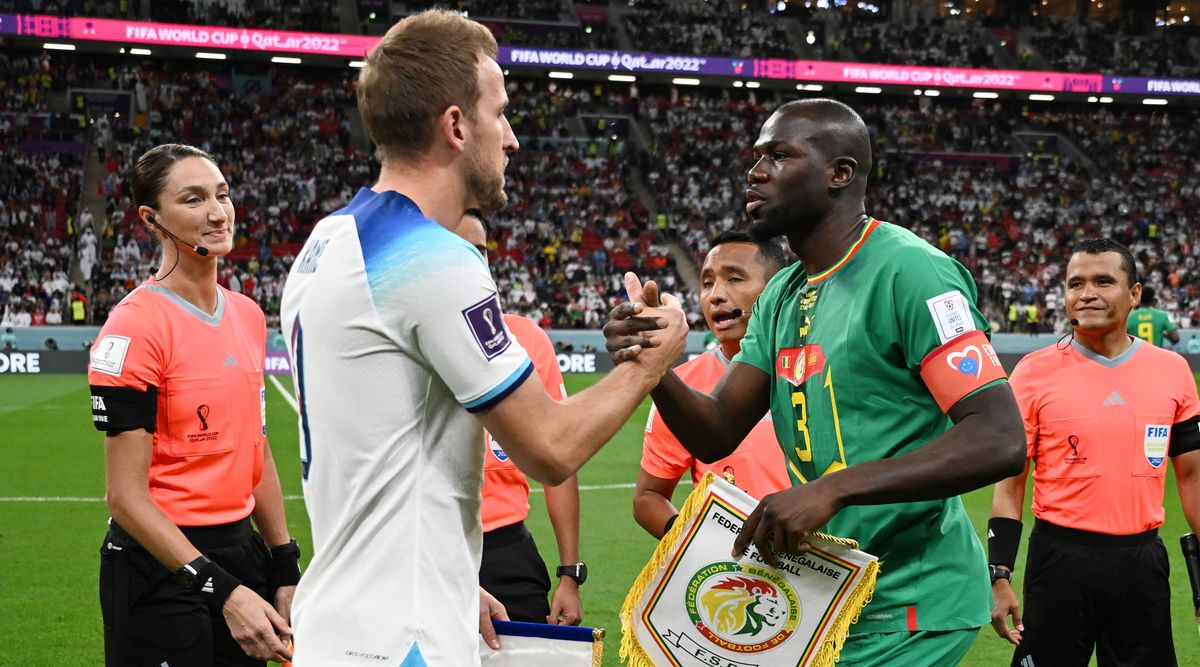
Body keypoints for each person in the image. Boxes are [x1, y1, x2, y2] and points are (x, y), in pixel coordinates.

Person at [279, 11, 686, 666]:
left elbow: (386, 447)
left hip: (348, 619)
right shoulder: (432, 259)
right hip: (400, 640)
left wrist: (447, 577)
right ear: (456, 126)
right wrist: (649, 363)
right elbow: (551, 448)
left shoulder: (327, 241)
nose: (513, 139)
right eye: (500, 115)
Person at [604, 98, 1026, 665]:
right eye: (755, 157)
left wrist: (833, 488)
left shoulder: (910, 271)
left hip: (912, 602)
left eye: (779, 156)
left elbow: (999, 437)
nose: (754, 171)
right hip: (829, 594)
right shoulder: (783, 293)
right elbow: (716, 431)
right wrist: (652, 365)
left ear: (840, 174)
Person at [88, 144, 299, 666]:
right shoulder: (135, 325)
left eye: (222, 195)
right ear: (152, 219)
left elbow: (257, 451)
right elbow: (125, 498)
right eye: (193, 198)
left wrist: (284, 566)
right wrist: (220, 589)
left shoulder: (248, 316)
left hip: (240, 555)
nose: (217, 212)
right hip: (161, 570)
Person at [988, 238, 1200, 667]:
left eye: (1104, 281)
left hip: (1143, 562)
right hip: (1059, 562)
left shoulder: (1173, 371)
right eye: (1075, 284)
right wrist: (1000, 575)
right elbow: (1010, 486)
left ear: (1134, 293)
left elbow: (1193, 478)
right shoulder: (1031, 372)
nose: (1086, 293)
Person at [458, 211, 585, 626]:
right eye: (456, 248)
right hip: (421, 552)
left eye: (479, 250)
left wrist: (569, 574)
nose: (471, 259)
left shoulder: (526, 339)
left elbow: (559, 461)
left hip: (506, 550)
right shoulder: (399, 342)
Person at [633, 230, 791, 539]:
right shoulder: (684, 387)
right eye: (707, 283)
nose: (715, 295)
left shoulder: (822, 367)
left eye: (734, 279)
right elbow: (648, 497)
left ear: (779, 288)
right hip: (738, 575)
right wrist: (700, 543)